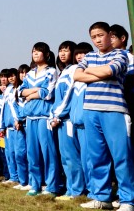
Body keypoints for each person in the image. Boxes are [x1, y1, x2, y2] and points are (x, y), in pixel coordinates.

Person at [74, 22, 134, 211]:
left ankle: (128, 200)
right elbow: (77, 76)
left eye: (100, 35)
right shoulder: (90, 56)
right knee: (97, 156)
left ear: (109, 35)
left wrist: (92, 71)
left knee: (121, 156)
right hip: (90, 110)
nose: (97, 40)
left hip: (114, 109)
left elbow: (110, 71)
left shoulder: (121, 54)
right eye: (93, 37)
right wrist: (100, 73)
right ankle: (102, 197)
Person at [18, 42, 64, 198]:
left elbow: (48, 92)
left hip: (45, 116)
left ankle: (52, 186)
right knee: (32, 153)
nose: (35, 53)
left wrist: (30, 94)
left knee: (48, 152)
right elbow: (20, 91)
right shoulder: (30, 74)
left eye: (38, 51)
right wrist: (33, 92)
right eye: (33, 51)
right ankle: (35, 184)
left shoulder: (52, 72)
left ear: (47, 54)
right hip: (30, 117)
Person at [50, 41, 87, 201]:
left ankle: (77, 190)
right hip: (60, 120)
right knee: (65, 156)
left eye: (66, 50)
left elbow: (68, 97)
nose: (63, 53)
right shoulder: (64, 71)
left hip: (67, 119)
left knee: (72, 156)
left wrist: (57, 115)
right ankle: (71, 189)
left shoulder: (73, 70)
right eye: (60, 50)